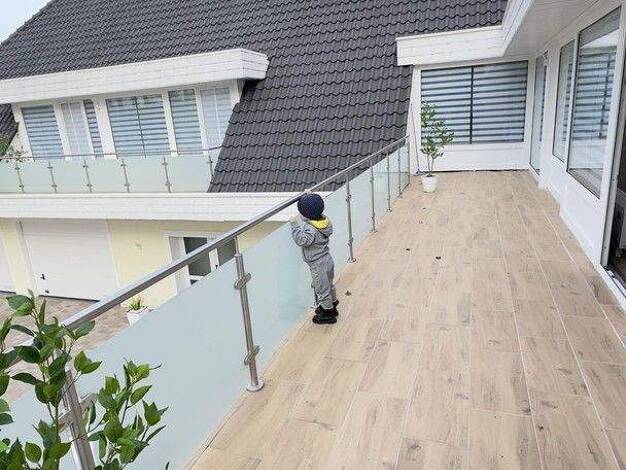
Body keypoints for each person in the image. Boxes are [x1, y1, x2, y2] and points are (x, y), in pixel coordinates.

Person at [290, 193, 339, 324]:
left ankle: (328, 313)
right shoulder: (324, 222)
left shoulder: (311, 229)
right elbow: (314, 209)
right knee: (329, 284)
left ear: (306, 215)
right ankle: (333, 303)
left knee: (321, 289)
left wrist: (294, 225)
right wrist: (309, 196)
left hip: (318, 264)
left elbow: (301, 240)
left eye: (301, 212)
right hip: (327, 259)